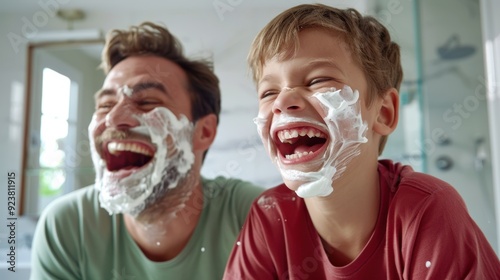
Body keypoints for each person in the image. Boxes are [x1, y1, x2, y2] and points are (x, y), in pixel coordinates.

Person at [224, 4, 500, 279]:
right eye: (268, 92)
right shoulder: (269, 217)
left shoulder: (425, 210)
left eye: (318, 80)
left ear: (383, 112)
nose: (282, 103)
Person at [30, 22, 263, 280]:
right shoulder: (68, 226)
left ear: (203, 132)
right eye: (106, 105)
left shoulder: (255, 216)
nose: (114, 118)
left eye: (147, 101)